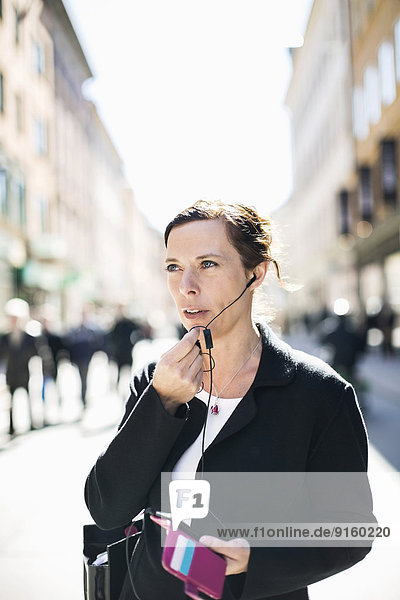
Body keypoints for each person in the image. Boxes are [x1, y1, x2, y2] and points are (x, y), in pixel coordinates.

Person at [85, 200, 374, 600]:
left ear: (253, 275)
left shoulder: (319, 392)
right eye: (173, 267)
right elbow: (107, 508)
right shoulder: (157, 381)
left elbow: (351, 530)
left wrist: (257, 554)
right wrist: (161, 403)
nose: (186, 285)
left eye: (208, 264)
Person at [0, 298, 38, 435]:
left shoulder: (29, 337)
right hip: (11, 374)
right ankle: (11, 426)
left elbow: (35, 353)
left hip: (25, 373)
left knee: (29, 398)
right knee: (11, 402)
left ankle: (31, 422)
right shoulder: (4, 337)